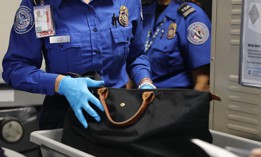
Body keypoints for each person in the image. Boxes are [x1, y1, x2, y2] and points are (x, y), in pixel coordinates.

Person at [2, 0, 155, 130]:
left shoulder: (127, 2)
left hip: (118, 115)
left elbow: (136, 55)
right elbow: (15, 67)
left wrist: (144, 80)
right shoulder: (40, 4)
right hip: (64, 117)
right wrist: (61, 84)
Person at [141, 0, 211, 92]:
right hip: (140, 97)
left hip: (175, 100)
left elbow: (203, 82)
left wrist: (189, 106)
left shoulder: (192, 16)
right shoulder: (143, 11)